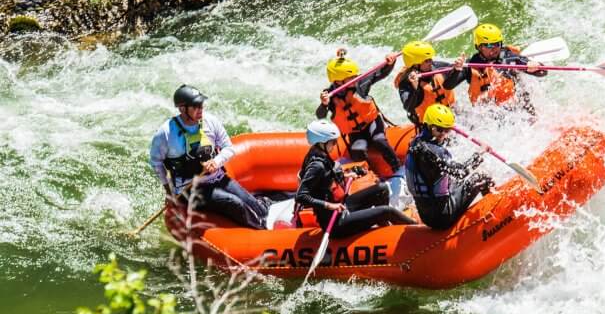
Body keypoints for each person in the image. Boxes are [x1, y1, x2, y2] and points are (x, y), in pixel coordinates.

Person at [149, 84, 268, 229]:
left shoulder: (210, 121)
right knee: (233, 202)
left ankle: (269, 219)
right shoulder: (166, 133)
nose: (200, 109)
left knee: (255, 205)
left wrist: (216, 162)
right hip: (190, 190)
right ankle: (262, 230)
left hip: (218, 179)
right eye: (195, 106)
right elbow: (156, 163)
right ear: (182, 109)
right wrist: (169, 193)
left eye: (201, 104)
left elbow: (228, 148)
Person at [296, 119, 415, 237]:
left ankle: (381, 227)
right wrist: (330, 205)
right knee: (387, 211)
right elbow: (301, 196)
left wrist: (345, 175)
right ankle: (418, 231)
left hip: (343, 205)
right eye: (333, 142)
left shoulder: (320, 154)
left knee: (382, 188)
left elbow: (327, 177)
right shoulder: (317, 165)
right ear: (322, 142)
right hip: (335, 221)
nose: (334, 144)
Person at [404, 104, 494, 230]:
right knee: (482, 176)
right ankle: (496, 215)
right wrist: (480, 153)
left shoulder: (416, 143)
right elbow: (461, 172)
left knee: (454, 181)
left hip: (426, 213)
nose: (444, 134)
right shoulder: (434, 153)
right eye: (440, 130)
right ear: (429, 126)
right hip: (442, 215)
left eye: (447, 130)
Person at [316, 49, 403, 177]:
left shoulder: (360, 84)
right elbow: (320, 115)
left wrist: (390, 63)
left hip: (372, 123)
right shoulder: (330, 95)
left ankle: (398, 169)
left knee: (379, 140)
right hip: (355, 133)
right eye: (350, 77)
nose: (354, 78)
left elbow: (378, 74)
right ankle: (370, 177)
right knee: (357, 150)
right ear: (338, 81)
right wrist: (324, 104)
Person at [464, 23, 546, 112]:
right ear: (478, 47)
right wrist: (456, 69)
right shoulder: (471, 64)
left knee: (514, 83)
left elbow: (543, 72)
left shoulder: (509, 58)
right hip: (488, 111)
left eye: (497, 44)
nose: (494, 48)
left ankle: (532, 116)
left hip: (515, 104)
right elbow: (449, 84)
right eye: (489, 45)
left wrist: (535, 66)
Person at [394, 40, 466, 127]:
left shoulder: (437, 67)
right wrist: (415, 89)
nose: (431, 62)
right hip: (431, 126)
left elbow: (448, 86)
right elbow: (408, 107)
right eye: (426, 60)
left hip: (451, 113)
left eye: (430, 59)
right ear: (415, 64)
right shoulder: (406, 83)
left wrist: (457, 70)